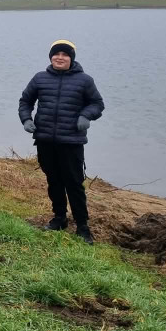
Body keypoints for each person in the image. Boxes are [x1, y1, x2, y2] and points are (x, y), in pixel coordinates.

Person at [18, 40, 104, 244]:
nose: (60, 57)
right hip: (45, 139)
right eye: (56, 54)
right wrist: (26, 119)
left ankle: (82, 226)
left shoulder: (85, 80)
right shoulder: (40, 78)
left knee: (74, 183)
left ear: (71, 58)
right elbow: (25, 101)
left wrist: (86, 115)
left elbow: (97, 104)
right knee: (54, 181)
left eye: (65, 55)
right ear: (51, 57)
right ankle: (59, 218)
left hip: (71, 141)